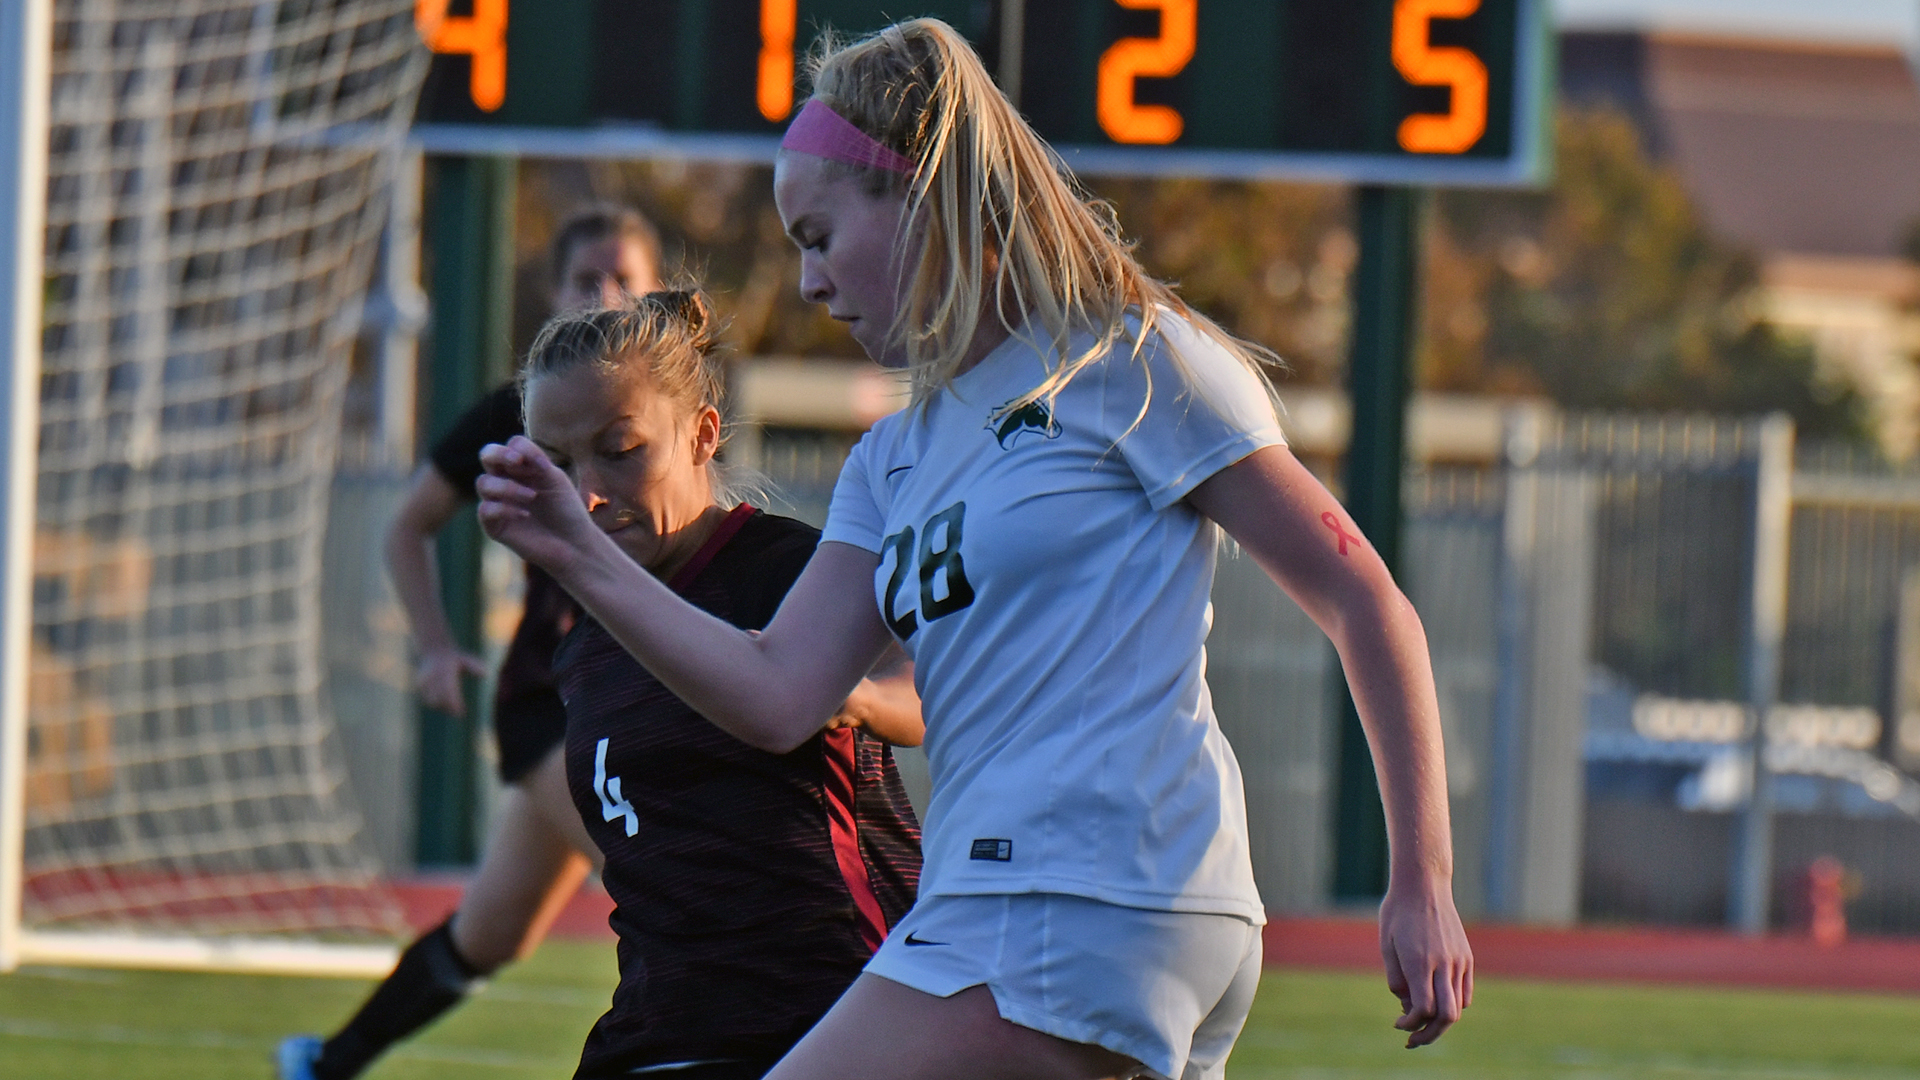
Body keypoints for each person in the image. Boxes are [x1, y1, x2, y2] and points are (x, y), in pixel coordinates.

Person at [475, 18, 1472, 1080]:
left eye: (818, 237)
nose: (809, 284)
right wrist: (581, 555)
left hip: (1082, 896)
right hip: (1035, 906)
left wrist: (1424, 878)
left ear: (919, 194)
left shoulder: (1124, 356)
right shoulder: (894, 458)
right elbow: (775, 694)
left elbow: (1366, 599)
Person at [278, 206, 667, 1080]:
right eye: (585, 280)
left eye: (625, 279)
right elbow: (407, 525)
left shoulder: (677, 418)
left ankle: (323, 1064)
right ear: (554, 294)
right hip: (558, 708)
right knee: (670, 887)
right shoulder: (518, 411)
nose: (605, 294)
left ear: (659, 297)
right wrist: (436, 646)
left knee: (487, 935)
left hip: (640, 703)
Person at [522, 289, 924, 1079]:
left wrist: (851, 699)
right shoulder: (586, 642)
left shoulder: (788, 571)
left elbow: (925, 691)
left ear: (703, 435)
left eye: (621, 449)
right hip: (662, 1024)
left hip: (824, 1013)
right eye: (558, 463)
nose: (588, 496)